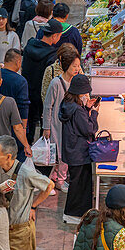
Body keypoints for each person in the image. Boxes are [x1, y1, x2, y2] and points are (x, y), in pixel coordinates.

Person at [59, 73, 99, 222]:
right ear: (80, 93)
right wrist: (93, 113)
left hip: (71, 150)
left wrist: (86, 108)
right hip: (79, 153)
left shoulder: (68, 103)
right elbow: (89, 129)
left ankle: (74, 214)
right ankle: (74, 215)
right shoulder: (76, 110)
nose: (87, 95)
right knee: (79, 185)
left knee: (77, 183)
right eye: (85, 93)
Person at [42, 44, 81, 186]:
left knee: (66, 152)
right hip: (57, 125)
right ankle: (58, 180)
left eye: (78, 66)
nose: (77, 69)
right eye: (74, 66)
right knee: (58, 153)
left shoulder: (77, 81)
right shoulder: (56, 83)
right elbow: (48, 106)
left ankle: (58, 177)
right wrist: (46, 127)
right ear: (66, 66)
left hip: (71, 124)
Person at [21, 18, 64, 140]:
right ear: (54, 36)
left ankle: (26, 151)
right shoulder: (52, 55)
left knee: (28, 126)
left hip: (27, 92)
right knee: (44, 128)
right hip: (42, 96)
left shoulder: (30, 46)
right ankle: (41, 154)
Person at [0, 49, 31, 156]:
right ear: (18, 62)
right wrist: (24, 129)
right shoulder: (20, 81)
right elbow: (23, 107)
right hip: (14, 126)